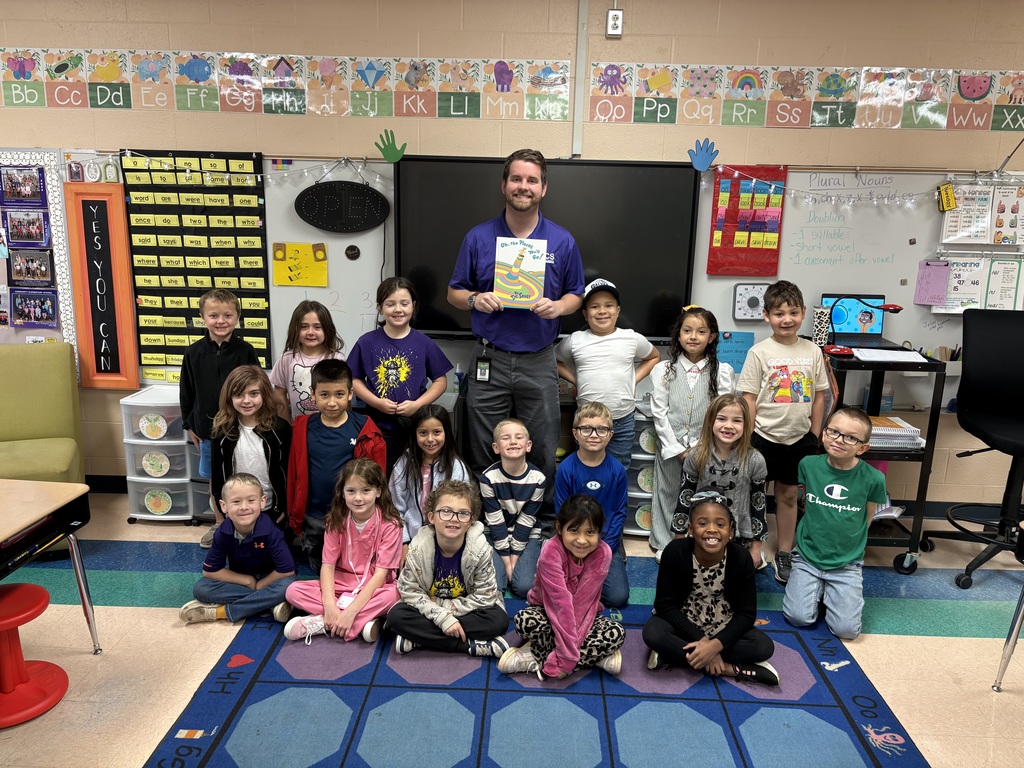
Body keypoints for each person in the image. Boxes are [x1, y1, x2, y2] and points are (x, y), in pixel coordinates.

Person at [447, 148, 585, 523]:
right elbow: (453, 293)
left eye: (532, 180)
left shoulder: (561, 240)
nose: (523, 187)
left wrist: (558, 307)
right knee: (481, 444)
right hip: (488, 358)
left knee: (540, 445)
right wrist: (476, 299)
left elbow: (576, 294)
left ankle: (537, 521)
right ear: (504, 184)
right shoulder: (478, 237)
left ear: (544, 188)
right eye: (517, 179)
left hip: (540, 359)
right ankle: (483, 521)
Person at [738, 280, 827, 585]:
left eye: (792, 312)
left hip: (798, 438)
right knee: (756, 495)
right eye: (778, 313)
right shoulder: (759, 352)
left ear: (803, 313)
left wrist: (814, 435)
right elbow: (748, 398)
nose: (786, 319)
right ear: (766, 316)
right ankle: (755, 547)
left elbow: (819, 396)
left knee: (788, 495)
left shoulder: (813, 351)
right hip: (762, 436)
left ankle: (785, 553)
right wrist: (747, 438)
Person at [642, 490, 779, 685]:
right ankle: (729, 669)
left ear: (731, 531)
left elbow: (746, 614)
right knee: (653, 632)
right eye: (703, 523)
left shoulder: (741, 558)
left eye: (720, 524)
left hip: (722, 622)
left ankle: (674, 655)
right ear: (690, 529)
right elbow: (665, 606)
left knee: (763, 646)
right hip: (684, 621)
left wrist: (716, 644)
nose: (712, 529)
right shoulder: (675, 552)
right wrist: (707, 646)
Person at [783, 408, 886, 640]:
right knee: (798, 617)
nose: (839, 440)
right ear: (824, 433)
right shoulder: (808, 465)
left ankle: (830, 591)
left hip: (846, 564)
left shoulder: (874, 479)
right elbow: (807, 504)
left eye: (850, 437)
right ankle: (814, 588)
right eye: (833, 432)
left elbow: (867, 518)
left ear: (863, 447)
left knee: (846, 631)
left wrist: (848, 550)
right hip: (808, 556)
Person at [498, 494, 625, 679]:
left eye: (590, 532)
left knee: (617, 633)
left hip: (584, 615)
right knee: (524, 621)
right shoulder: (550, 550)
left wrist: (566, 659)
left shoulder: (603, 553)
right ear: (559, 528)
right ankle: (594, 656)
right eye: (574, 530)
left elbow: (582, 605)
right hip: (546, 608)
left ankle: (534, 655)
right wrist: (567, 657)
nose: (582, 540)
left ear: (599, 532)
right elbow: (560, 603)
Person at [385, 480, 510, 657]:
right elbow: (409, 591)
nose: (454, 518)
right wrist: (442, 618)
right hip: (431, 605)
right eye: (445, 512)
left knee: (498, 620)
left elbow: (485, 596)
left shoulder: (480, 549)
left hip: (467, 608)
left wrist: (445, 613)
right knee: (396, 617)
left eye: (463, 513)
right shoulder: (418, 547)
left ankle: (420, 638)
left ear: (471, 521)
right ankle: (467, 646)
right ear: (431, 518)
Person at [649, 306, 735, 561]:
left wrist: (700, 447)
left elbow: (722, 413)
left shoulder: (723, 371)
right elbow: (659, 412)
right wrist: (675, 447)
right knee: (667, 492)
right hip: (671, 446)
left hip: (706, 448)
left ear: (712, 336)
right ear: (678, 335)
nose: (693, 336)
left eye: (701, 331)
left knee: (703, 495)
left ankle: (698, 541)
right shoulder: (664, 369)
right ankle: (665, 542)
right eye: (687, 331)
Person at [283, 458, 402, 644]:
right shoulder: (335, 521)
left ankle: (327, 623)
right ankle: (357, 622)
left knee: (395, 595)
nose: (358, 498)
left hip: (375, 586)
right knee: (293, 590)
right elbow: (327, 566)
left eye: (366, 490)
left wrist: (352, 611)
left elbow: (381, 575)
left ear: (379, 491)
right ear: (343, 493)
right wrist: (330, 606)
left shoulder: (391, 524)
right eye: (351, 491)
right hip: (342, 583)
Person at [286, 359, 385, 570]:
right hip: (313, 515)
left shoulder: (364, 429)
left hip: (349, 515)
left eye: (339, 394)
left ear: (350, 393)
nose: (332, 402)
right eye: (324, 395)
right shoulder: (302, 427)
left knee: (349, 567)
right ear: (312, 394)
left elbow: (378, 477)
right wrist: (295, 516)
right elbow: (294, 474)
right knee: (317, 567)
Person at [349, 277, 453, 474]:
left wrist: (417, 405)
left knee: (416, 472)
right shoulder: (366, 342)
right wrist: (377, 401)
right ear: (380, 307)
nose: (398, 309)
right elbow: (353, 379)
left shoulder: (424, 343)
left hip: (416, 425)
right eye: (390, 304)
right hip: (378, 424)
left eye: (404, 303)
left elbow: (441, 381)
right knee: (383, 473)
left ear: (413, 306)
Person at [555, 278, 660, 470]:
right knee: (586, 469)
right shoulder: (575, 340)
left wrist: (633, 380)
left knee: (619, 469)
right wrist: (575, 379)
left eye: (608, 305)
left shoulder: (631, 338)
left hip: (622, 420)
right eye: (595, 307)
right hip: (586, 423)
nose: (602, 311)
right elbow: (555, 362)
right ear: (585, 314)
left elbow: (653, 357)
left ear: (618, 311)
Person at [180, 473, 297, 624]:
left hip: (272, 579)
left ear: (262, 502)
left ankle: (220, 612)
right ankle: (268, 604)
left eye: (251, 500)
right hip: (240, 581)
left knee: (289, 586)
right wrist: (247, 581)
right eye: (236, 502)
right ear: (224, 506)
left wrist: (261, 584)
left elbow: (286, 570)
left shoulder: (271, 530)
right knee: (201, 589)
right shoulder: (222, 532)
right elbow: (210, 571)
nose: (244, 507)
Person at [674, 394, 769, 570]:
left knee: (735, 582)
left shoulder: (755, 460)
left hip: (740, 534)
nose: (729, 426)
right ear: (710, 422)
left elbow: (759, 506)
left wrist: (756, 547)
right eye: (722, 419)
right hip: (702, 532)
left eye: (737, 421)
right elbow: (684, 499)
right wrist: (679, 541)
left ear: (746, 425)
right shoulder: (695, 456)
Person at [180, 288, 260, 487]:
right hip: (208, 432)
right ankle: (219, 519)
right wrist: (189, 425)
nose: (221, 321)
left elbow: (259, 388)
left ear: (238, 317)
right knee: (215, 482)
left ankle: (245, 518)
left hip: (242, 428)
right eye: (213, 315)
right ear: (202, 317)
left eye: (228, 315)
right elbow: (186, 392)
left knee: (243, 477)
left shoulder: (246, 351)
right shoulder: (193, 353)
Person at [554, 402, 629, 607]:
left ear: (610, 434)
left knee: (618, 597)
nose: (594, 434)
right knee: (560, 589)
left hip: (604, 542)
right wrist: (575, 545)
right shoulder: (566, 468)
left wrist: (604, 548)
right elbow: (561, 512)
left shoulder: (617, 471)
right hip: (572, 541)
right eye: (586, 428)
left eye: (601, 429)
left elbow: (619, 512)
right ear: (575, 433)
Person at [208, 366, 291, 547]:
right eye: (239, 395)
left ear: (264, 395)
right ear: (229, 397)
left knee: (275, 560)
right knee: (242, 560)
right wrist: (222, 513)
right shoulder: (221, 431)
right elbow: (217, 474)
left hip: (272, 509)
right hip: (237, 510)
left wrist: (285, 508)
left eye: (254, 394)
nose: (246, 401)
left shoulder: (281, 429)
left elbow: (287, 472)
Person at [389, 405, 472, 550]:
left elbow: (462, 508)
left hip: (447, 540)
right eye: (423, 433)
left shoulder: (456, 467)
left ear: (447, 432)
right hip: (411, 539)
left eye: (437, 432)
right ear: (415, 434)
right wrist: (404, 542)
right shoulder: (403, 464)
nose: (430, 439)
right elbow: (395, 507)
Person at [479, 418, 546, 597]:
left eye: (519, 437)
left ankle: (517, 562)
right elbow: (494, 520)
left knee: (524, 587)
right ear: (496, 448)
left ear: (528, 445)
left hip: (526, 534)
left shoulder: (538, 479)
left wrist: (514, 556)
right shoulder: (488, 478)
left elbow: (527, 520)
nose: (513, 441)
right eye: (506, 438)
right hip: (494, 534)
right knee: (494, 587)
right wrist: (506, 561)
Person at [269, 300, 345, 421]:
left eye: (317, 327)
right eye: (304, 327)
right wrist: (286, 426)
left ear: (327, 329)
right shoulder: (286, 359)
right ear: (295, 329)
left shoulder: (336, 359)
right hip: (298, 428)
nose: (310, 332)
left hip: (332, 428)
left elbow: (344, 395)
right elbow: (279, 395)